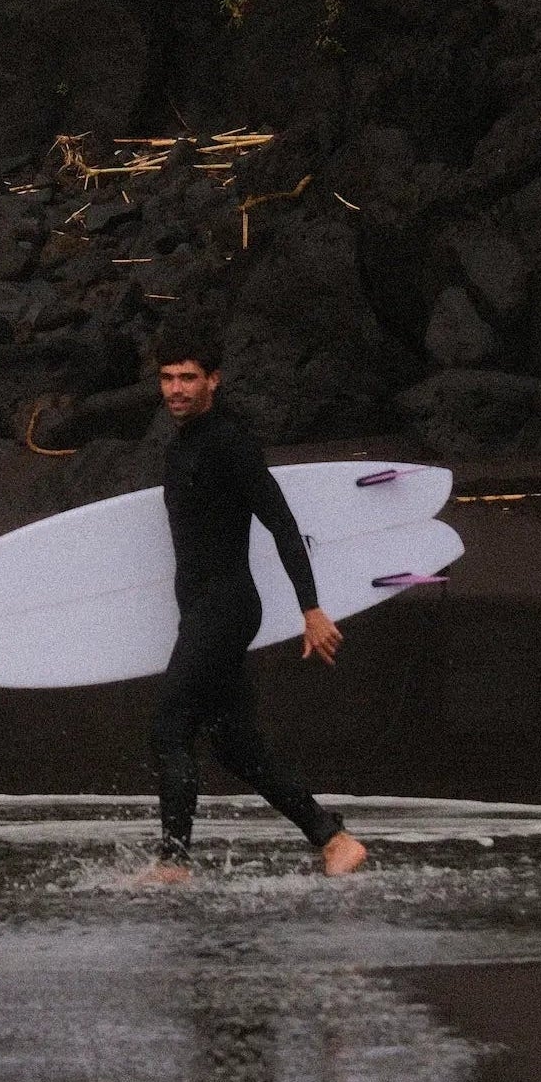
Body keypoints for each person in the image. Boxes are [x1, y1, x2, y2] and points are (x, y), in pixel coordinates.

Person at [142, 322, 366, 882]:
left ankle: (174, 862)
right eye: (167, 378)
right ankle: (334, 839)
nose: (176, 389)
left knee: (171, 721)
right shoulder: (182, 445)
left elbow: (282, 523)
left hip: (225, 608)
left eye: (188, 377)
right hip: (202, 610)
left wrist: (311, 609)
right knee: (234, 744)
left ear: (213, 380)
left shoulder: (229, 441)